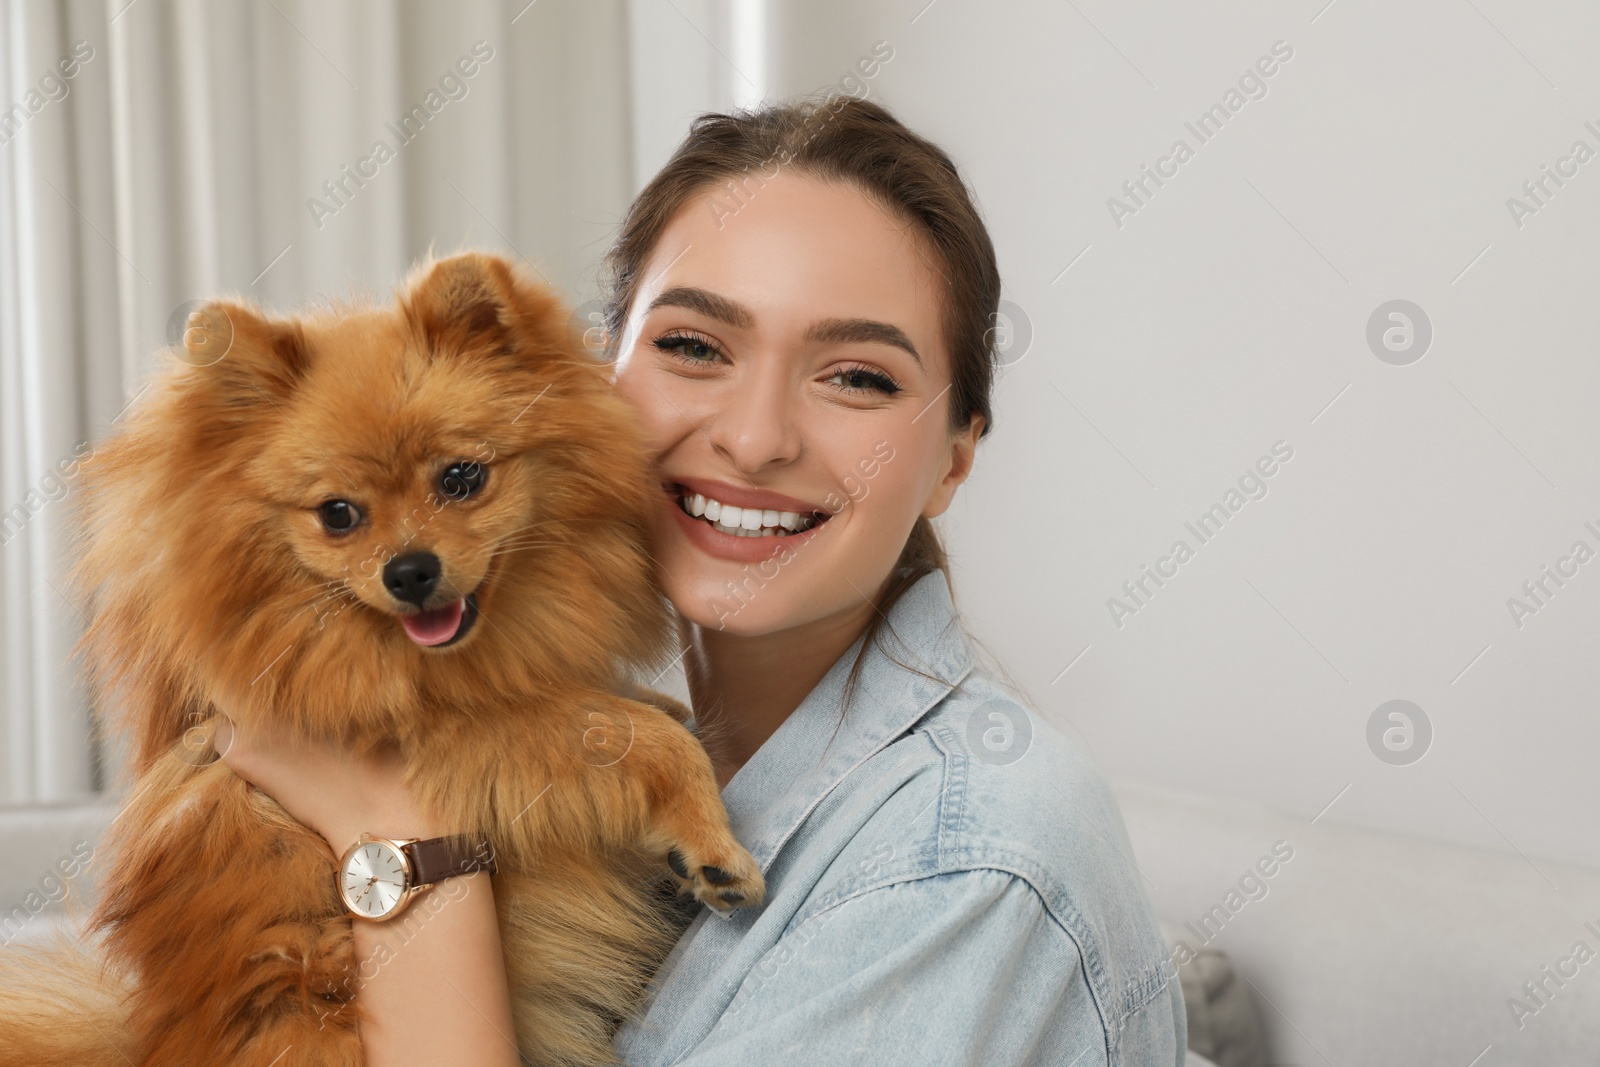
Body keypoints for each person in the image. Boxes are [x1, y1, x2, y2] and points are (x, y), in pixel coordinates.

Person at [216, 96, 1185, 1066]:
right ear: (594, 376)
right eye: (692, 347)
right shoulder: (628, 754)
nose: (755, 436)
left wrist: (398, 840)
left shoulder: (964, 860)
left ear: (953, 459)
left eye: (857, 376)